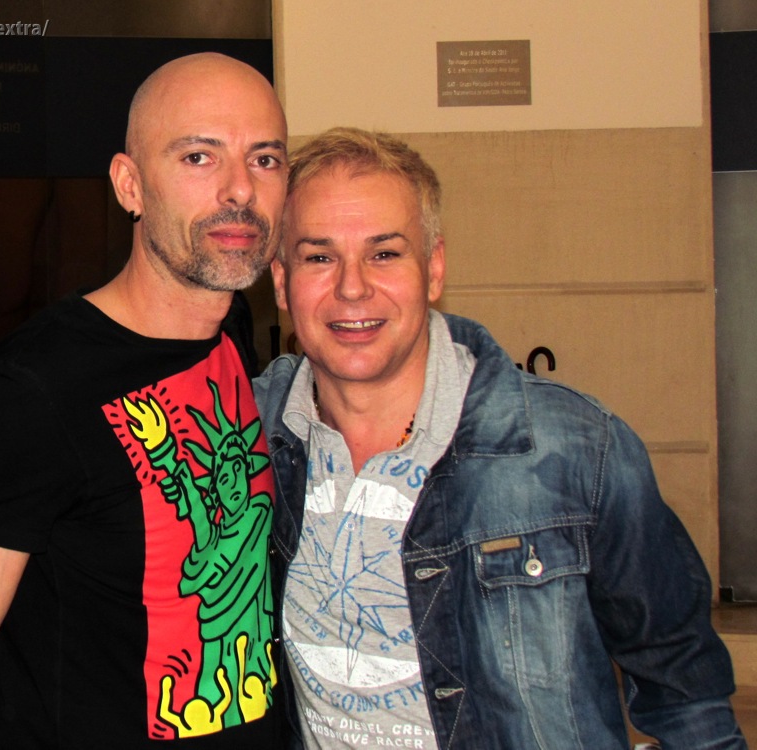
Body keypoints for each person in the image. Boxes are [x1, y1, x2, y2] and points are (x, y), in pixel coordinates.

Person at [254, 127, 746, 749]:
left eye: (385, 253)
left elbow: (685, 690)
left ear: (434, 268)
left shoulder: (575, 452)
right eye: (319, 257)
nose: (353, 287)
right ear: (281, 281)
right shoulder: (247, 438)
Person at [0, 52, 288, 749]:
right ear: (129, 185)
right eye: (198, 157)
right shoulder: (35, 387)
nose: (239, 189)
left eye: (264, 159)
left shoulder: (228, 333)